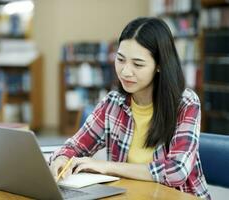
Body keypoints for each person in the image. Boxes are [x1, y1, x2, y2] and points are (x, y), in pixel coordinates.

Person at [50, 17, 211, 199]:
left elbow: (176, 171)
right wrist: (62, 158)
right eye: (120, 59)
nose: (126, 71)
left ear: (159, 65)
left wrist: (108, 166)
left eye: (138, 64)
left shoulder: (186, 103)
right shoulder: (113, 103)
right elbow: (74, 146)